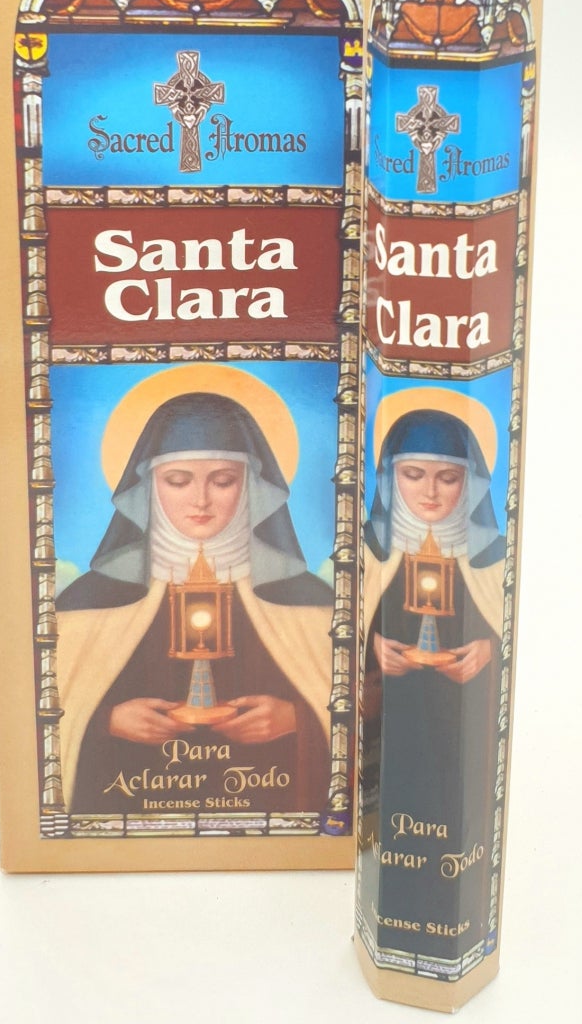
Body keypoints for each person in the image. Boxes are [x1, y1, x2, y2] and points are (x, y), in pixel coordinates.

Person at [55, 391, 335, 818]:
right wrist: (106, 721)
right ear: (149, 486)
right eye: (178, 481)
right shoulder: (87, 605)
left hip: (268, 800)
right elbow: (45, 722)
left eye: (222, 481)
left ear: (250, 485)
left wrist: (297, 719)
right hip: (130, 805)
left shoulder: (309, 604)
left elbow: (354, 714)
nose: (200, 500)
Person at [359, 406, 507, 960]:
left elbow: (505, 627)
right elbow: (339, 631)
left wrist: (487, 649)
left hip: (457, 723)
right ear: (389, 477)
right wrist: (371, 652)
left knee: (452, 816)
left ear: (471, 483)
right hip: (391, 726)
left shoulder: (492, 560)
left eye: (448, 477)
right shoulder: (367, 552)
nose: (429, 492)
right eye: (413, 474)